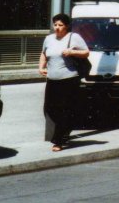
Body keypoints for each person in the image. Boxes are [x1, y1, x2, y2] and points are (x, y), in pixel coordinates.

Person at [38, 13, 89, 152]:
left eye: (60, 25)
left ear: (66, 26)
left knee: (64, 110)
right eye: (55, 25)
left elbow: (86, 53)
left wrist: (72, 52)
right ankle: (65, 132)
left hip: (69, 79)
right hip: (52, 80)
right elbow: (44, 53)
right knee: (49, 108)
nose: (57, 28)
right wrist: (41, 67)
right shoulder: (48, 39)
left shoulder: (74, 37)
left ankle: (58, 140)